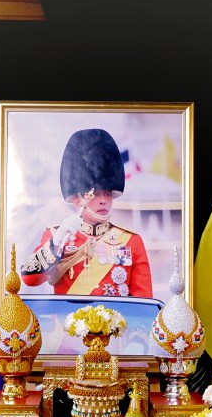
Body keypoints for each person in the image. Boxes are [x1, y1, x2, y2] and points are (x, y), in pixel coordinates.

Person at [20, 128, 152, 298]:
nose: (103, 200)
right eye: (95, 194)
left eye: (107, 194)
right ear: (77, 200)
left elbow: (143, 301)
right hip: (67, 316)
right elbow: (30, 279)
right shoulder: (57, 236)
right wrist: (56, 243)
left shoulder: (132, 241)